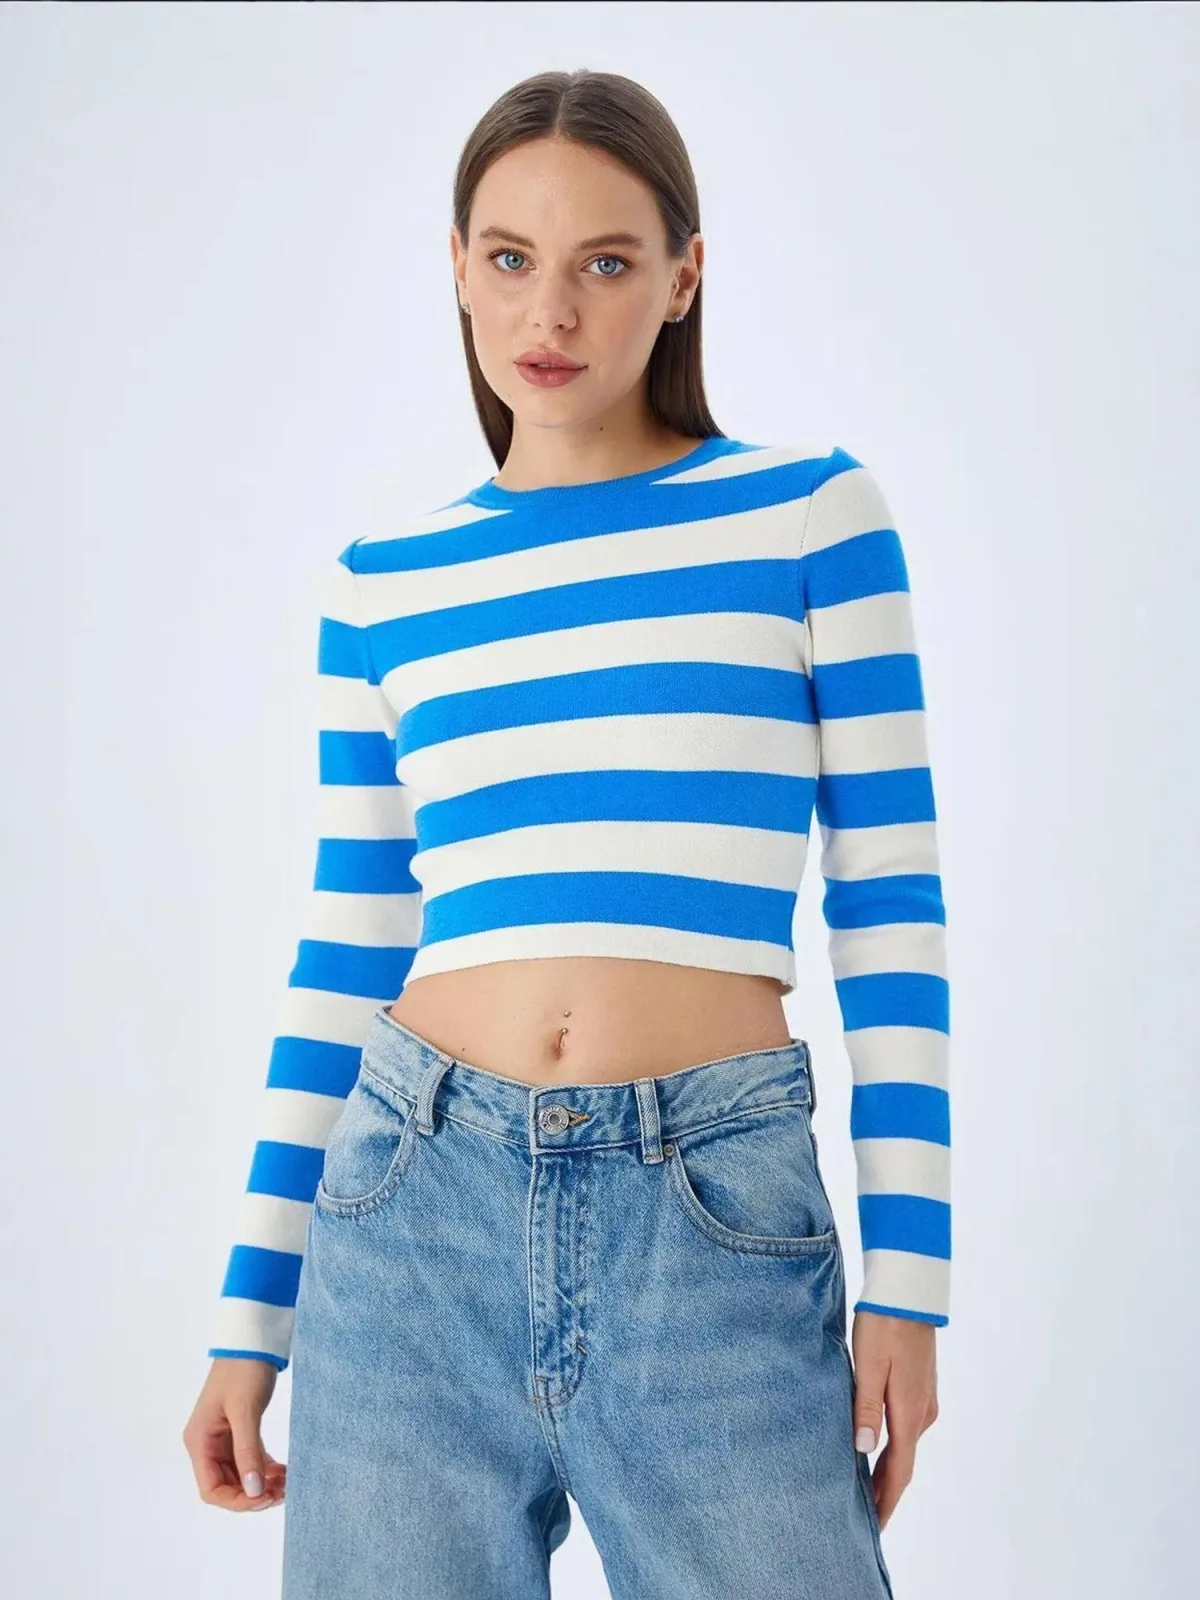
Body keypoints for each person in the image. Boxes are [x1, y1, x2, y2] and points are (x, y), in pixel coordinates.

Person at [182, 67, 949, 1600]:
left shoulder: (809, 517)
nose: (552, 309)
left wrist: (911, 1283)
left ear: (684, 275)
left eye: (606, 260)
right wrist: (249, 1319)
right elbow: (349, 947)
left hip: (712, 1215)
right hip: (408, 1217)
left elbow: (889, 904)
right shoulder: (383, 583)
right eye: (510, 257)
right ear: (458, 270)